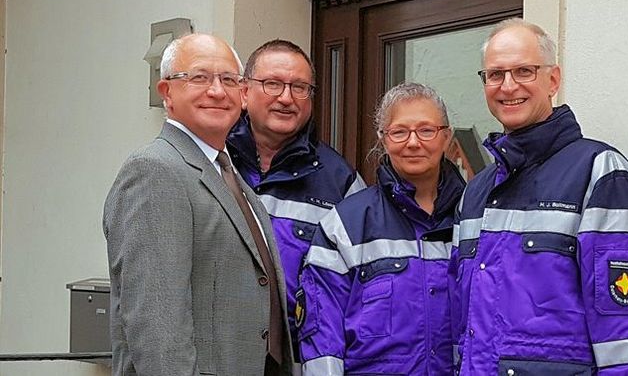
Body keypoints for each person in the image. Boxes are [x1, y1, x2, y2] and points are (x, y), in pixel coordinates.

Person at [450, 18, 628, 374]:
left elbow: (626, 330)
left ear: (553, 79)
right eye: (495, 74)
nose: (508, 86)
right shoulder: (476, 192)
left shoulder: (599, 172)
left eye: (524, 71)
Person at [103, 33, 292, 376]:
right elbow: (157, 325)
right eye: (199, 78)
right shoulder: (155, 171)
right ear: (166, 93)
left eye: (228, 80)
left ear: (243, 94)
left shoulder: (227, 174)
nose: (217, 91)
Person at [298, 82, 465, 375]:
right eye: (399, 132)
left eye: (426, 130)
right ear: (383, 139)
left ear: (447, 137)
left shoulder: (476, 218)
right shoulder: (347, 224)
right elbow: (322, 337)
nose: (413, 142)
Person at [226, 39, 364, 355]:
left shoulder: (339, 181)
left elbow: (359, 288)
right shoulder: (212, 162)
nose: (286, 98)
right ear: (244, 92)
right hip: (217, 355)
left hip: (296, 357)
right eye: (273, 84)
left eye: (300, 87)